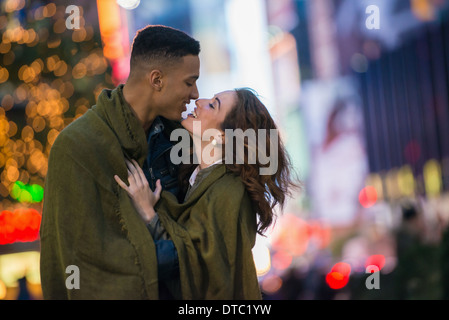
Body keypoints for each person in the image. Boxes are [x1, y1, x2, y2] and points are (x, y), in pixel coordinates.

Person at [39, 25, 200, 299]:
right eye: (189, 81)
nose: (195, 93)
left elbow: (202, 237)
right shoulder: (76, 147)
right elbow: (69, 259)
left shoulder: (183, 139)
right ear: (157, 80)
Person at [115, 88, 299, 299]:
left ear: (221, 136)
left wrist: (149, 213)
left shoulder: (229, 193)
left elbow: (195, 272)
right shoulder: (194, 178)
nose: (199, 102)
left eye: (213, 104)